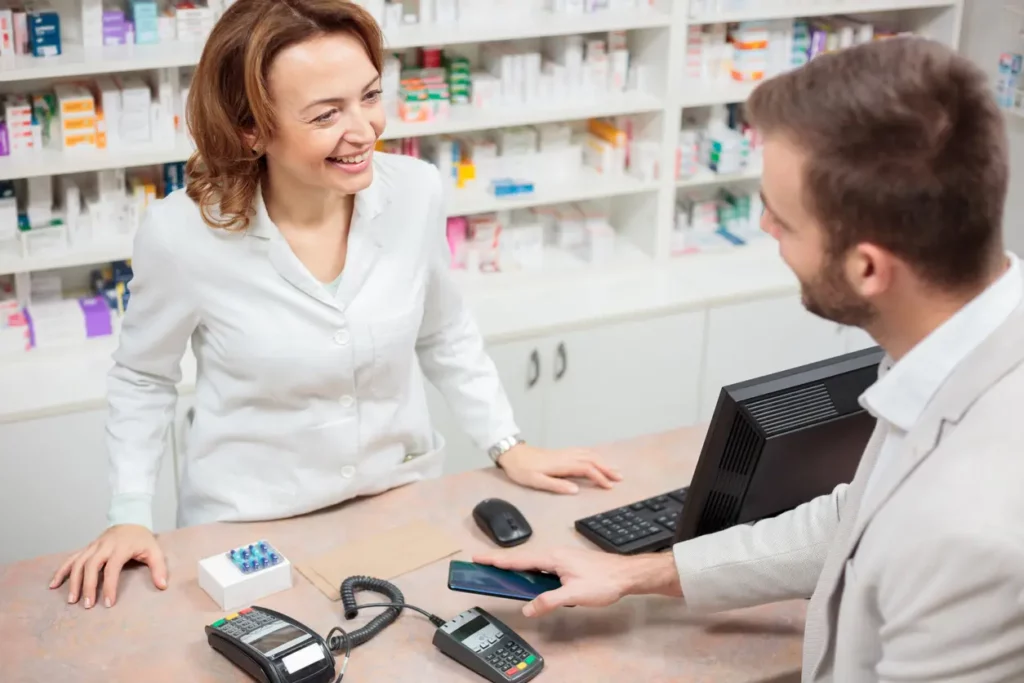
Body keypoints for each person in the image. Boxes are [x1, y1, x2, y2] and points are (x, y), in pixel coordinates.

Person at [475, 36, 1024, 681]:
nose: (764, 228)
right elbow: (857, 522)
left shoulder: (976, 526)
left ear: (867, 267)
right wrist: (638, 572)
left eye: (783, 219)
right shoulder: (960, 351)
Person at [48, 0, 622, 610]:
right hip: (250, 528)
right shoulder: (184, 234)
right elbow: (143, 376)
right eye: (325, 114)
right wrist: (130, 513)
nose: (365, 130)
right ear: (252, 128)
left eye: (369, 96)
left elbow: (444, 331)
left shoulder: (415, 191)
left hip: (398, 504)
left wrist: (508, 443)